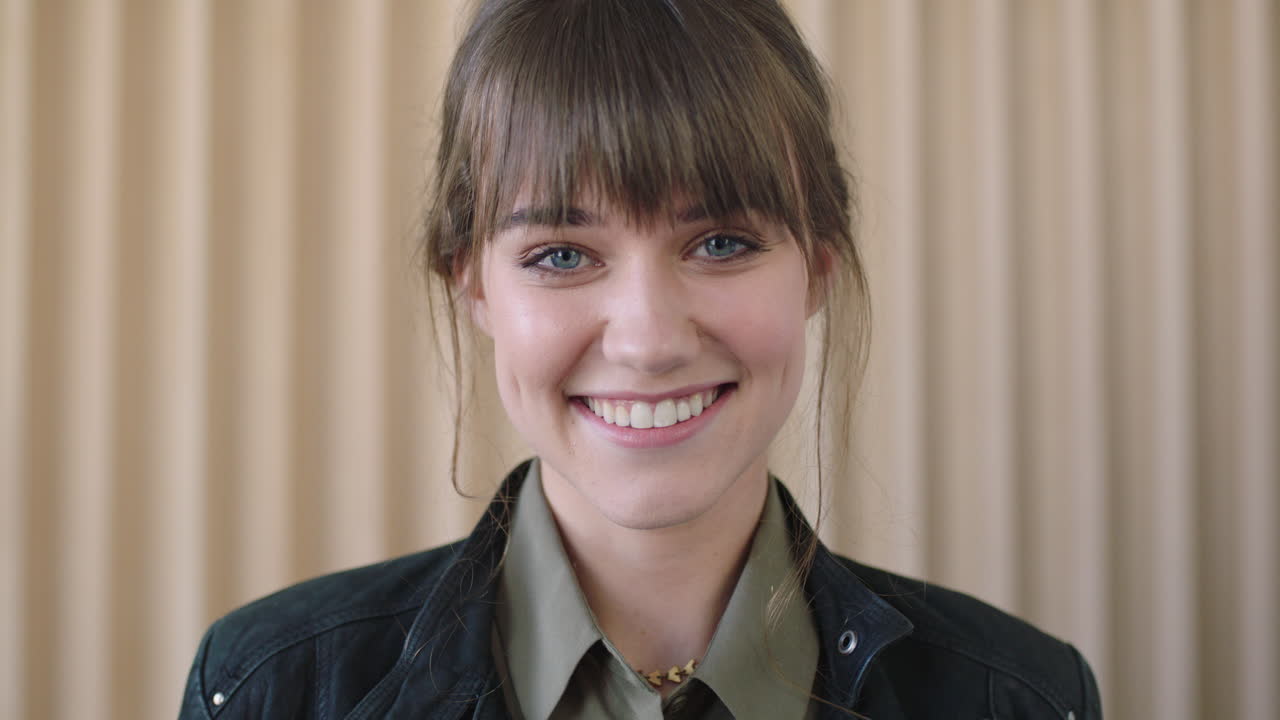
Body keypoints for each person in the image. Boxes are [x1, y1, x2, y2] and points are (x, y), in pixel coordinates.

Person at [180, 1, 1102, 718]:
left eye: (723, 243)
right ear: (473, 285)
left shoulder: (1019, 699)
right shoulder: (273, 690)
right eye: (561, 256)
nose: (650, 339)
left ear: (817, 270)